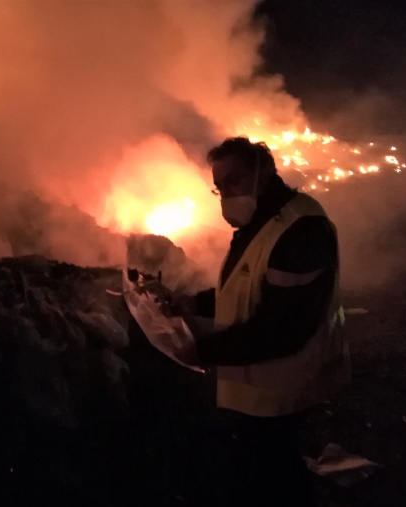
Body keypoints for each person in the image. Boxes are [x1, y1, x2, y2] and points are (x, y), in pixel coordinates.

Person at [174, 137, 350, 506]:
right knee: (263, 466)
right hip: (260, 385)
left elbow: (282, 330)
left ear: (265, 172)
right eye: (219, 187)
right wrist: (195, 303)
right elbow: (247, 287)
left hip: (286, 386)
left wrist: (202, 350)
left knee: (278, 476)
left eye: (234, 180)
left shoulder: (302, 231)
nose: (226, 194)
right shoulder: (263, 220)